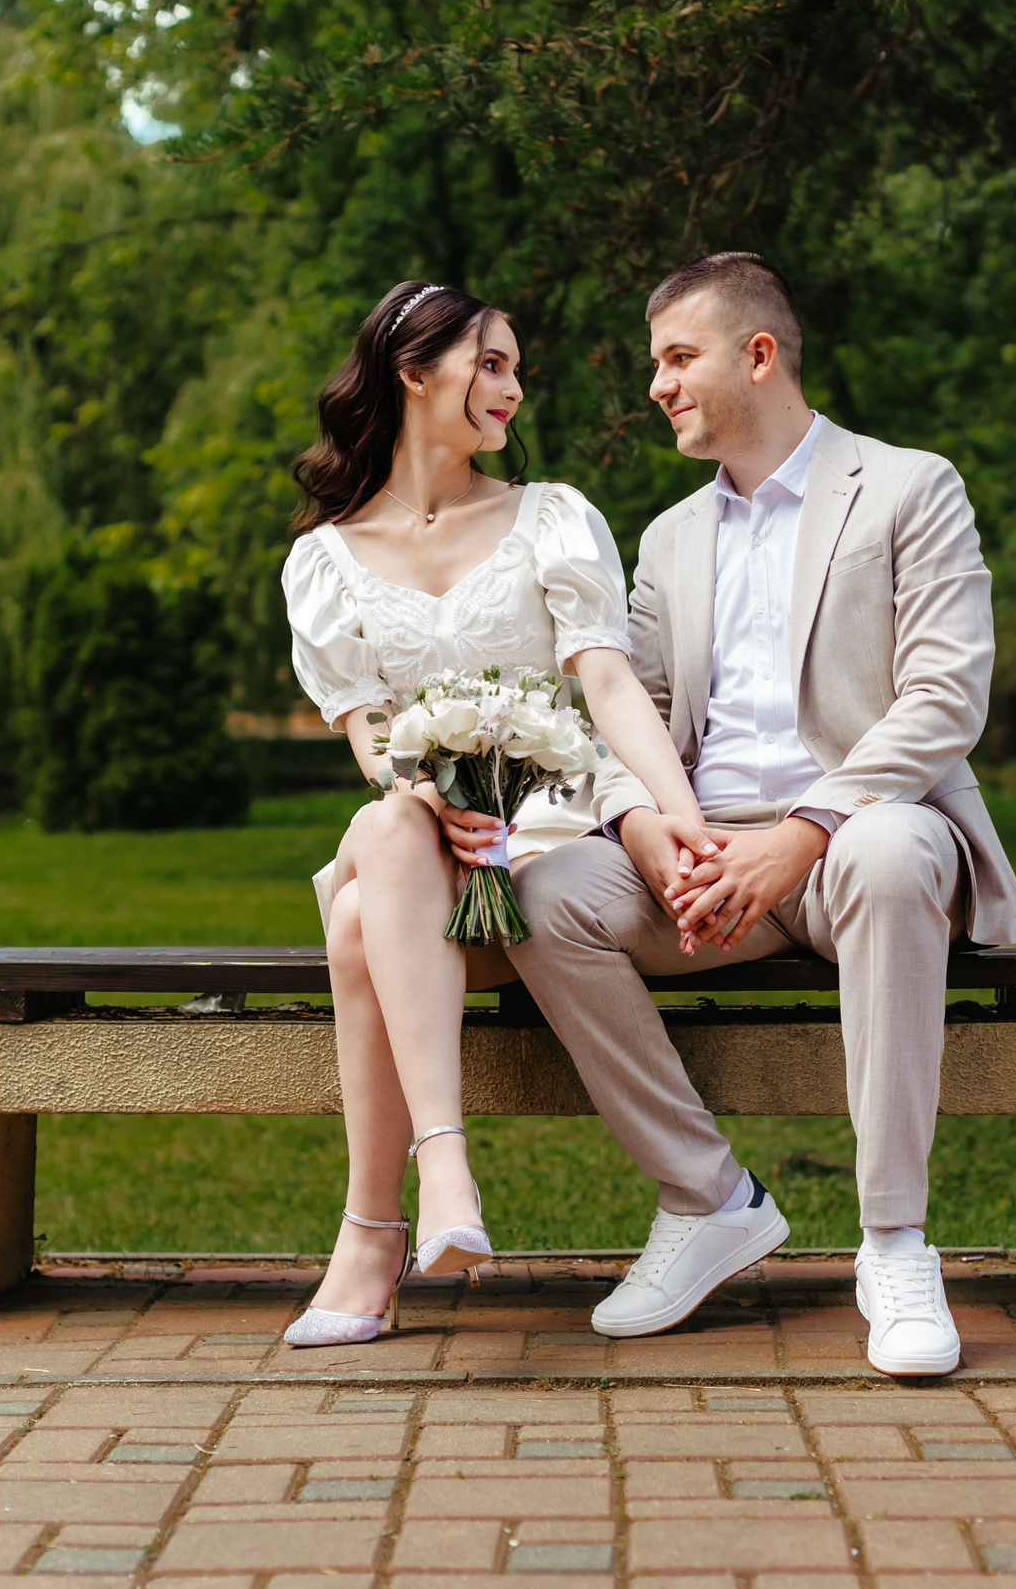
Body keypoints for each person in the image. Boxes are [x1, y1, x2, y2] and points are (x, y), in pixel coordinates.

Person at [503, 252, 1016, 1377]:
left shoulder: (907, 486)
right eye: (656, 363)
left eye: (677, 357)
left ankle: (893, 1242)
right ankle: (705, 1200)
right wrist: (651, 829)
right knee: (540, 897)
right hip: (700, 854)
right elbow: (622, 722)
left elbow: (945, 698)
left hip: (860, 831)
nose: (658, 384)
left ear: (759, 354)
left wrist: (801, 836)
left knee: (890, 853)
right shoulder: (666, 539)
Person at [277, 280, 717, 1346]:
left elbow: (605, 689)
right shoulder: (323, 560)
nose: (511, 388)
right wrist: (423, 794)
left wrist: (685, 821)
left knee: (352, 929)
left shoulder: (550, 518)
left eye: (514, 367)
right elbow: (372, 739)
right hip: (422, 843)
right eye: (489, 363)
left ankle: (379, 1231)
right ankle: (444, 1175)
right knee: (388, 826)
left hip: (551, 842)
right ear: (410, 370)